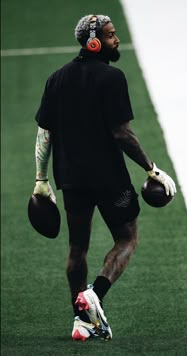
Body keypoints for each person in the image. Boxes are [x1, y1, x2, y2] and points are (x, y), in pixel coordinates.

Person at [33, 14, 176, 342]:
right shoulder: (112, 78)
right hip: (109, 178)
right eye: (111, 36)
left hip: (70, 178)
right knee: (127, 239)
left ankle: (81, 321)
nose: (116, 40)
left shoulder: (56, 79)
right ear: (94, 42)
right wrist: (151, 168)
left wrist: (41, 179)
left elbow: (44, 134)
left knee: (77, 248)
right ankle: (95, 293)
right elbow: (122, 133)